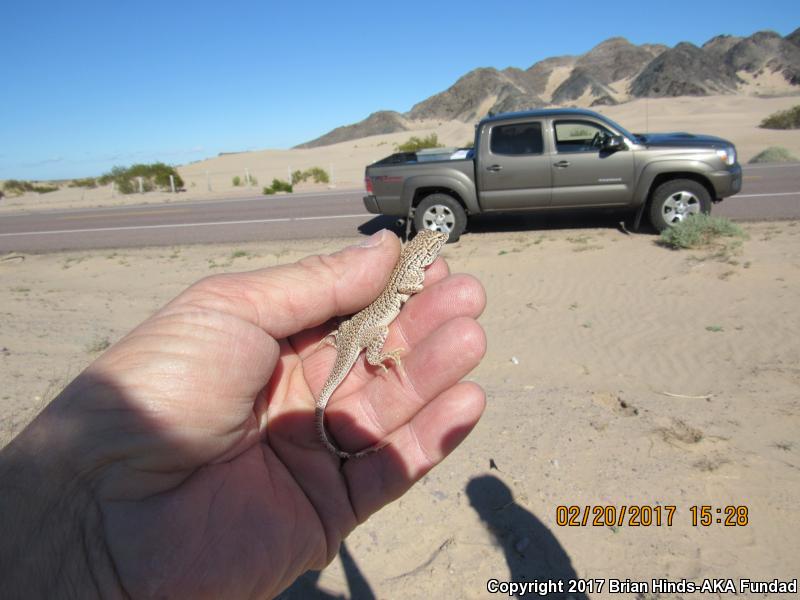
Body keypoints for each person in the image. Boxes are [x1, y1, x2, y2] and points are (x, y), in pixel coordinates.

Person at [0, 229, 487, 599]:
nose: (435, 245)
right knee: (374, 347)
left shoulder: (411, 265)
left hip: (356, 329)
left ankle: (359, 364)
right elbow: (404, 288)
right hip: (365, 333)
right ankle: (377, 361)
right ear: (423, 252)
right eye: (432, 244)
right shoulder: (411, 267)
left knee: (369, 343)